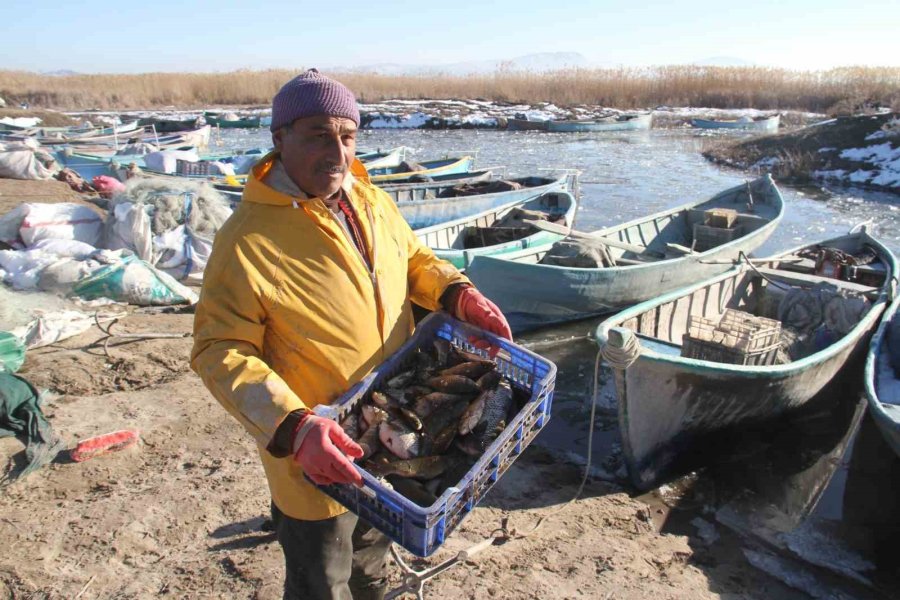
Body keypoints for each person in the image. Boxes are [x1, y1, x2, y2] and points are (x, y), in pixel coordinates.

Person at [190, 69, 512, 600]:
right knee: (323, 581)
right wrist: (293, 427)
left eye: (347, 135)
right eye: (318, 134)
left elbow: (414, 260)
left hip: (388, 425)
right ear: (279, 139)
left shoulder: (371, 200)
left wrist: (455, 292)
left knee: (372, 566)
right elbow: (219, 350)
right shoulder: (247, 238)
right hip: (316, 457)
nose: (337, 152)